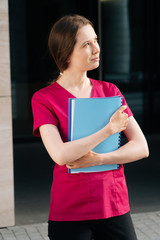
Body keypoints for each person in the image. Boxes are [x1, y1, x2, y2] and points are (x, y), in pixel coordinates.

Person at [31, 14, 149, 240]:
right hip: (69, 211)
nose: (96, 49)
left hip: (113, 205)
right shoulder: (44, 98)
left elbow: (142, 147)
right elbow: (60, 154)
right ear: (66, 53)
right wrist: (108, 129)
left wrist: (100, 160)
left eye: (96, 40)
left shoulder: (110, 91)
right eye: (86, 44)